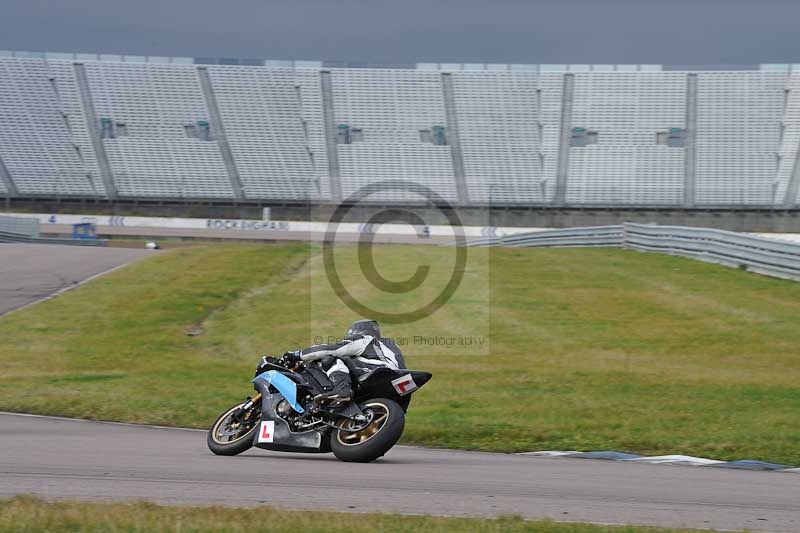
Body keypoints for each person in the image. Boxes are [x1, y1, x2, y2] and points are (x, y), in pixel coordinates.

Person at [282, 319, 404, 405]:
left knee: (330, 358)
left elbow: (332, 349)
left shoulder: (365, 339)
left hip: (380, 372)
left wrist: (297, 355)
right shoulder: (391, 345)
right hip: (396, 382)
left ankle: (342, 390)